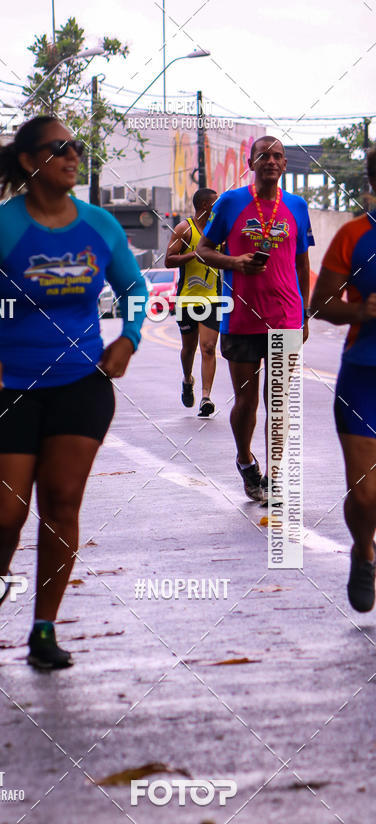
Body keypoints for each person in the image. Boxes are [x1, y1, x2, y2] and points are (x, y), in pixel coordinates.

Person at [0, 115, 147, 669]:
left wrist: (130, 337)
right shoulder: (0, 227)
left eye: (77, 147)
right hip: (8, 388)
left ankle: (44, 629)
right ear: (30, 162)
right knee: (3, 517)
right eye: (60, 148)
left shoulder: (99, 226)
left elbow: (133, 285)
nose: (74, 155)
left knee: (62, 503)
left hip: (80, 385)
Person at [197, 137, 314, 502]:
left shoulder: (296, 205)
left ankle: (276, 478)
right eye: (264, 155)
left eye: (278, 156)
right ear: (251, 162)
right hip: (242, 318)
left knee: (277, 401)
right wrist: (234, 263)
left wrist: (305, 313)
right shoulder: (231, 202)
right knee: (246, 402)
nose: (271, 161)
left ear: (284, 165)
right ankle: (246, 461)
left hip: (285, 316)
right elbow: (203, 249)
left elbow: (302, 262)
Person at [310, 144, 376, 612]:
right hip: (364, 377)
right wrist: (361, 309)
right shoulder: (354, 235)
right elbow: (321, 304)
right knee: (366, 492)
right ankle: (363, 550)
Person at [165, 188, 220, 417]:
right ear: (205, 205)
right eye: (215, 203)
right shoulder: (183, 228)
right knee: (189, 348)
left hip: (212, 299)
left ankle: (206, 397)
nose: (219, 207)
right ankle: (188, 380)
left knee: (208, 348)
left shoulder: (219, 229)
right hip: (187, 299)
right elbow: (169, 260)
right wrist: (193, 255)